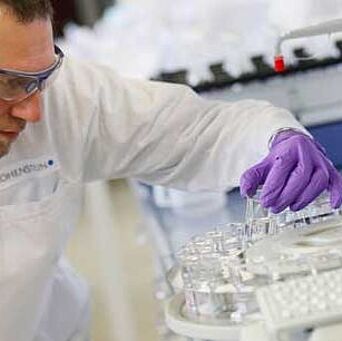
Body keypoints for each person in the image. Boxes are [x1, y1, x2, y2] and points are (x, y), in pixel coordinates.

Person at [0, 1, 341, 340]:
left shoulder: (65, 99)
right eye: (8, 84)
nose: (33, 112)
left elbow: (199, 131)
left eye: (40, 79)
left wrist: (275, 138)